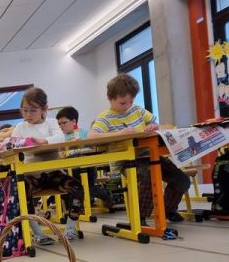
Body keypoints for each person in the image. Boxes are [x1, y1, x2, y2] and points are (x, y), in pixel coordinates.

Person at [89, 73, 190, 223]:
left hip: (151, 155)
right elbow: (92, 137)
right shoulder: (105, 117)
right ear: (110, 98)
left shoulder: (137, 110)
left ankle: (167, 210)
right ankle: (140, 218)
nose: (127, 106)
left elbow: (156, 124)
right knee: (148, 174)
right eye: (123, 103)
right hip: (127, 161)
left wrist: (153, 126)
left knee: (182, 180)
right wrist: (121, 133)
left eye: (131, 101)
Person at [12, 87, 85, 243]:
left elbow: (61, 138)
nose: (28, 114)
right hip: (32, 175)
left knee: (77, 187)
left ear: (44, 109)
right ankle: (38, 233)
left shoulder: (51, 123)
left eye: (33, 110)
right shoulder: (20, 128)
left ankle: (70, 229)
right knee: (22, 192)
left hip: (54, 173)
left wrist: (44, 141)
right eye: (25, 110)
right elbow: (12, 147)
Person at [56, 106, 112, 207]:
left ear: (74, 121)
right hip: (70, 168)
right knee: (70, 189)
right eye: (59, 124)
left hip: (87, 167)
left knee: (89, 188)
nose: (61, 126)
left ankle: (107, 196)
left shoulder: (84, 133)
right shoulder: (59, 137)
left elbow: (94, 147)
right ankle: (75, 208)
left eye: (64, 123)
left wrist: (85, 143)